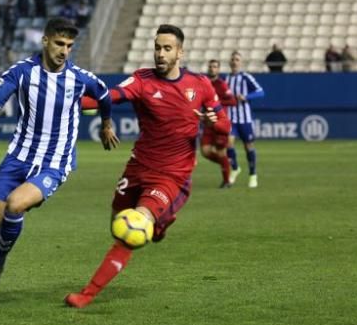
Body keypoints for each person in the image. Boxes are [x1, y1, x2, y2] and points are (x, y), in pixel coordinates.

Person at [0, 18, 118, 310]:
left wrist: (106, 124)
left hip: (55, 162)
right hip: (17, 158)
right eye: (59, 43)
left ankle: (0, 257)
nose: (64, 51)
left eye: (69, 46)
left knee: (16, 204)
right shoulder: (22, 72)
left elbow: (104, 95)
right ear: (45, 41)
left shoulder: (79, 78)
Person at [65, 25, 226, 308]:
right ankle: (160, 224)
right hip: (138, 168)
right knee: (118, 225)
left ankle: (86, 295)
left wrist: (215, 122)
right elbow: (109, 96)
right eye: (157, 47)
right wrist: (65, 101)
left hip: (172, 175)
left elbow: (225, 123)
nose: (160, 54)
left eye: (167, 48)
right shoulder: (142, 81)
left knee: (132, 230)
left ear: (180, 52)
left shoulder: (200, 85)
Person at [224, 51, 265, 188]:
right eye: (233, 59)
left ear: (240, 63)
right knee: (228, 144)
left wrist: (246, 97)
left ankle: (253, 174)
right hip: (231, 119)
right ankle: (235, 168)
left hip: (245, 119)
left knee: (249, 147)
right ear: (230, 63)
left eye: (237, 59)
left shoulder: (246, 77)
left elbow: (260, 92)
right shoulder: (226, 79)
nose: (235, 62)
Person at [204, 59, 240, 187]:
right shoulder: (204, 83)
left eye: (214, 67)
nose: (212, 69)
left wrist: (217, 103)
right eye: (210, 66)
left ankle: (226, 181)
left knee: (220, 151)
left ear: (218, 70)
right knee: (205, 151)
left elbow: (233, 101)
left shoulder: (222, 84)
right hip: (208, 123)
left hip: (219, 122)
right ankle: (227, 164)